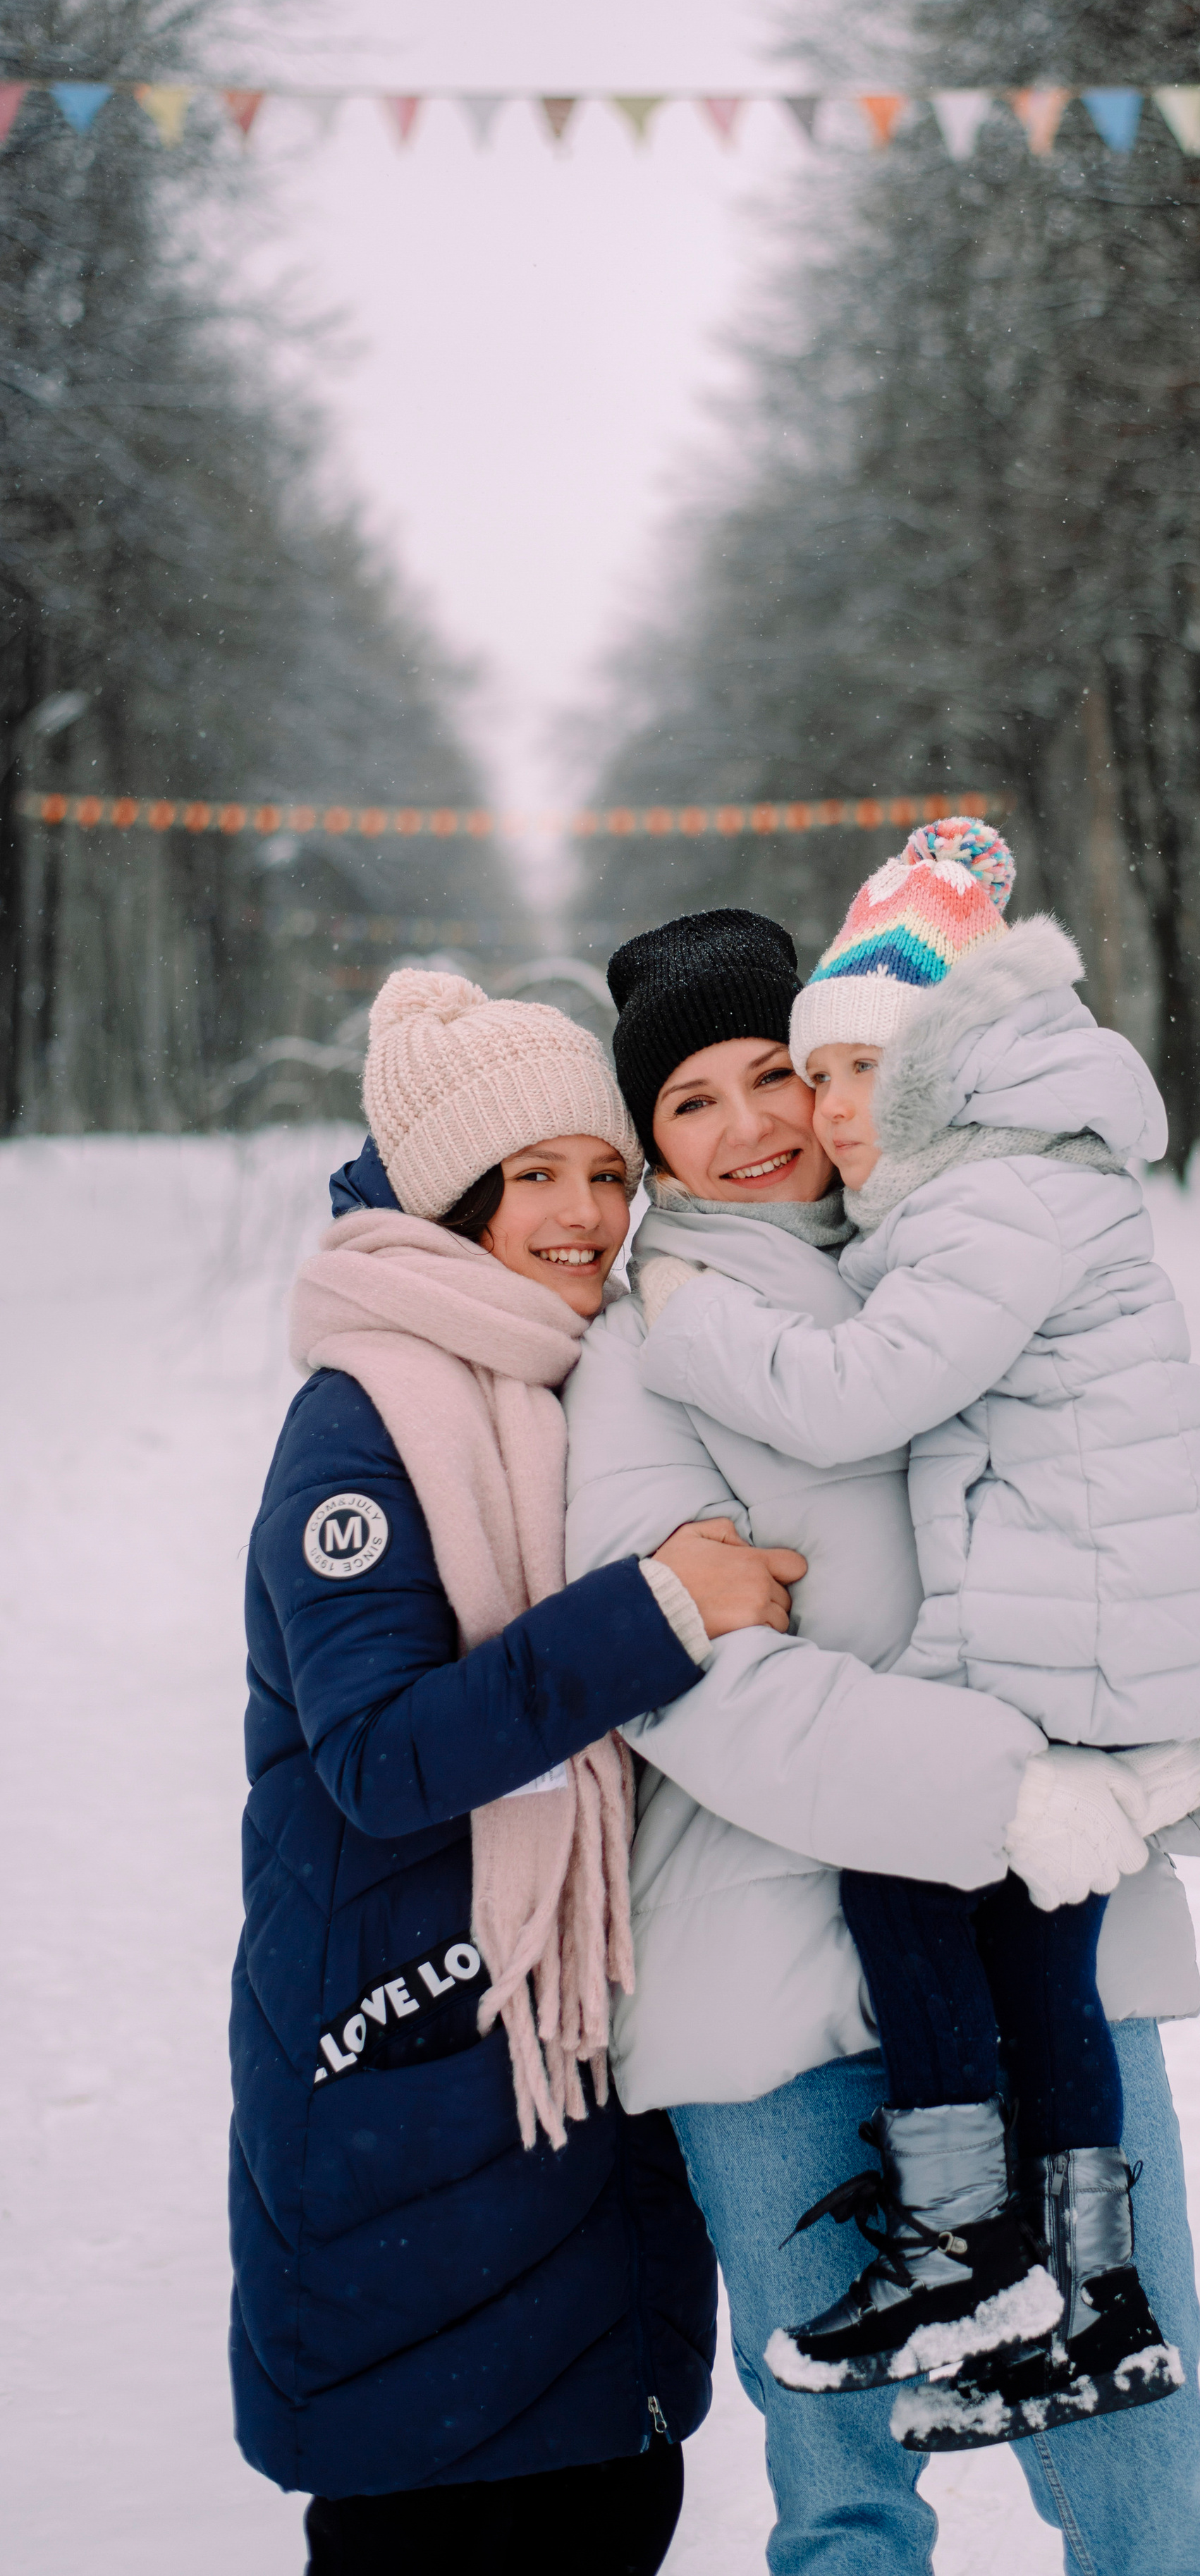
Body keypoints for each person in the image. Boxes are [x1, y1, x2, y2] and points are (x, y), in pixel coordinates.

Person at [564, 905, 1200, 2575]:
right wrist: (1006, 1791)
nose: (752, 1129)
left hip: (1044, 1949)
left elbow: (1137, 1531)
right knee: (852, 2495)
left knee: (1139, 2475)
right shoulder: (651, 1346)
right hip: (772, 1970)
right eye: (690, 1104)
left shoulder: (971, 1247)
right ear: (648, 1139)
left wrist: (1166, 1748)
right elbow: (684, 1676)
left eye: (776, 1075)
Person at [229, 967, 802, 2574]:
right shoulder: (367, 1420)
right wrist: (664, 1608)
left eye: (605, 1171)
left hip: (559, 2076)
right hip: (408, 2083)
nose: (581, 1213)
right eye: (532, 1174)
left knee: (601, 2508)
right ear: (448, 1191)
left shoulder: (566, 1383)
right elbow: (382, 1757)